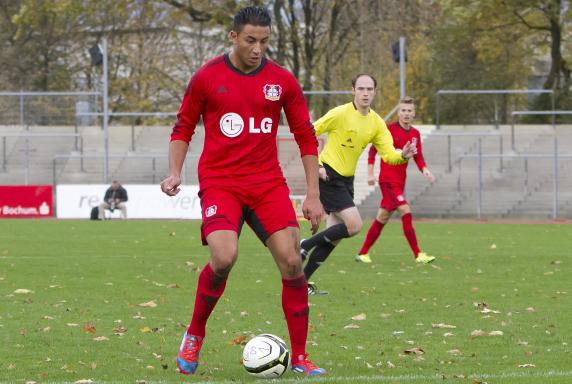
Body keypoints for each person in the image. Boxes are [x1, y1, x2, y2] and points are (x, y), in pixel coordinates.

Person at [159, 6, 326, 376]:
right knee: (223, 258)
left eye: (264, 41)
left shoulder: (282, 80)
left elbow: (305, 136)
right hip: (221, 182)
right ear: (233, 37)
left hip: (266, 184)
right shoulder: (207, 77)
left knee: (293, 261)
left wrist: (313, 194)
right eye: (251, 40)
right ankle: (195, 333)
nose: (258, 49)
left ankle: (299, 357)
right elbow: (183, 127)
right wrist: (174, 172)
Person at [299, 74, 417, 295]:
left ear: (374, 92)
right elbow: (307, 133)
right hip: (328, 175)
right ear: (353, 90)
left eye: (369, 89)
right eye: (360, 88)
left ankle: (301, 284)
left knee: (333, 239)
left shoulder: (376, 123)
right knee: (354, 225)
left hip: (346, 181)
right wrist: (317, 167)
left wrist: (404, 154)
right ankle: (304, 245)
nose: (365, 93)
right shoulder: (340, 113)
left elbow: (389, 154)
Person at [356, 96, 436, 264]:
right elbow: (372, 151)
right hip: (387, 180)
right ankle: (418, 254)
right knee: (406, 211)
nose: (406, 114)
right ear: (398, 112)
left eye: (409, 111)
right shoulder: (388, 129)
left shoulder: (415, 134)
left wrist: (425, 170)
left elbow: (418, 156)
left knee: (382, 217)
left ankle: (362, 253)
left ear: (414, 113)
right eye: (403, 110)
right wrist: (370, 173)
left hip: (400, 181)